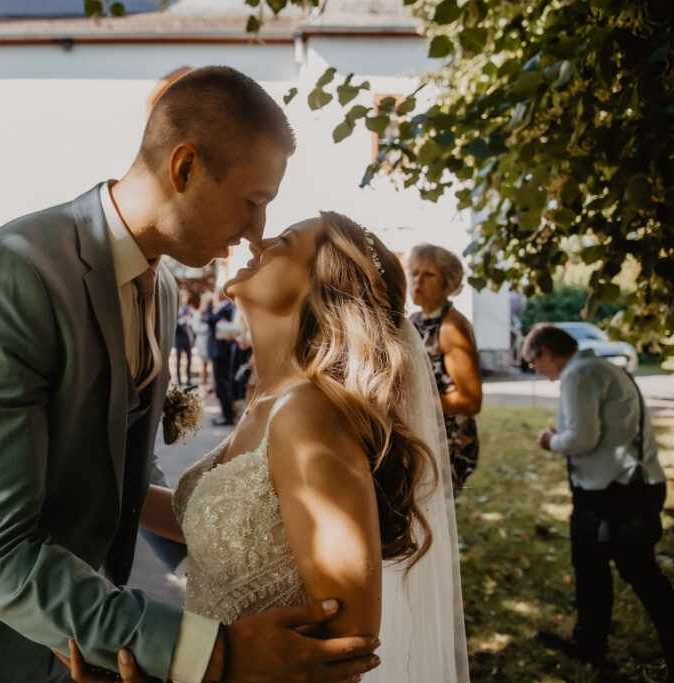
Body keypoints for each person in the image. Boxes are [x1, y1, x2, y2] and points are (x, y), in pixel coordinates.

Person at [0, 66, 379, 683]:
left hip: (78, 645)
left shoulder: (162, 292)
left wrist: (221, 583)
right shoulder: (16, 275)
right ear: (184, 169)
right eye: (253, 201)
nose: (255, 232)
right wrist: (206, 651)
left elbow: (120, 483)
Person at [62, 212, 469, 682]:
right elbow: (226, 526)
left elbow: (347, 645)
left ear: (325, 284)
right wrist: (77, 484)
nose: (260, 239)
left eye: (287, 239)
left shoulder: (310, 414)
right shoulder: (270, 401)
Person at [524, 324, 673, 679]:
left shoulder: (579, 373)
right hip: (621, 486)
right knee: (592, 569)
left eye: (533, 362)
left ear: (546, 352)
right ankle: (589, 642)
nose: (535, 370)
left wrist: (551, 440)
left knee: (641, 576)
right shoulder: (602, 368)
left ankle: (597, 643)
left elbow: (582, 438)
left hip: (619, 492)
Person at [406, 244, 482, 493]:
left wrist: (414, 402)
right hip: (423, 431)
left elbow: (471, 401)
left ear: (448, 284)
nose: (418, 280)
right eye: (415, 272)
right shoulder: (415, 321)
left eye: (429, 274)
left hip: (449, 440)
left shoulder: (452, 327)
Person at [205, 290, 238, 426]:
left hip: (221, 352)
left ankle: (228, 415)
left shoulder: (227, 308)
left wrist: (208, 305)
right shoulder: (224, 308)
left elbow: (209, 320)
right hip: (219, 351)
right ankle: (226, 412)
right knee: (222, 384)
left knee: (222, 384)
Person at [173, 292, 195, 386]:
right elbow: (173, 323)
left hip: (187, 338)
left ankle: (188, 379)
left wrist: (189, 319)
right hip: (179, 338)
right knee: (178, 360)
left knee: (189, 360)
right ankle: (179, 380)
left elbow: (192, 321)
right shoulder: (175, 308)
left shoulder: (188, 308)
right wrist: (182, 321)